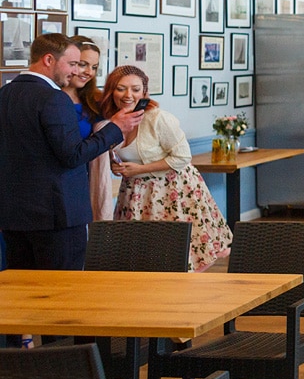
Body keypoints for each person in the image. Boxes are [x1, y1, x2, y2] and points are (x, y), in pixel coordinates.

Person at [0, 34, 140, 282]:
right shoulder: (54, 99)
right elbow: (73, 155)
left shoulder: (5, 94)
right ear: (49, 60)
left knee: (21, 293)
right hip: (57, 217)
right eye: (73, 64)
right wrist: (115, 127)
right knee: (64, 292)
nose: (77, 71)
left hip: (14, 216)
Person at [101, 65, 232, 272]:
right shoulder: (109, 121)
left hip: (172, 190)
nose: (128, 95)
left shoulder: (157, 118)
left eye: (135, 89)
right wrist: (114, 165)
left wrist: (139, 170)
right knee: (141, 257)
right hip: (135, 194)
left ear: (144, 92)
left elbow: (182, 157)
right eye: (121, 88)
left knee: (177, 255)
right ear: (110, 91)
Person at [61, 35, 113, 221]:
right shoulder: (50, 98)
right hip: (58, 184)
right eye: (83, 64)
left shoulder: (95, 100)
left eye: (94, 67)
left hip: (86, 182)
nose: (89, 72)